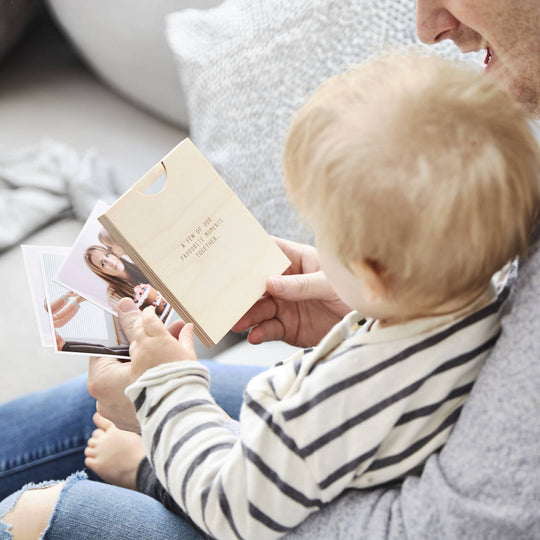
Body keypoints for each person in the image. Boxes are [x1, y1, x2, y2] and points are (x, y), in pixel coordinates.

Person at [1, 1, 539, 538]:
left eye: (321, 230)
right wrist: (370, 310)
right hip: (305, 459)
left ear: (375, 272)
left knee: (29, 515)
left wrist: (168, 389)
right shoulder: (468, 307)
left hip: (250, 494)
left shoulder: (344, 401)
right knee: (87, 414)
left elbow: (236, 503)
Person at [85, 245, 171, 319]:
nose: (111, 262)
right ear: (101, 272)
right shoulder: (114, 296)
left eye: (107, 255)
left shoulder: (138, 262)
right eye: (103, 263)